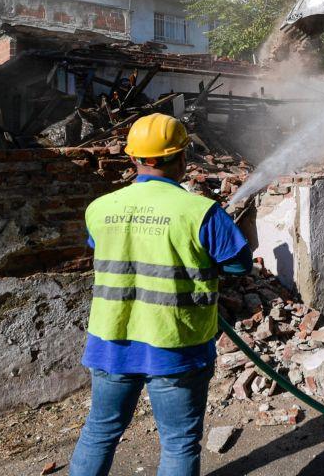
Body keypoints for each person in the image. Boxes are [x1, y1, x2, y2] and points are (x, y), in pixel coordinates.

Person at [71, 113, 252, 476]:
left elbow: (108, 250)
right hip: (176, 343)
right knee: (179, 442)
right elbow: (238, 266)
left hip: (111, 340)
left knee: (100, 431)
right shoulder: (201, 211)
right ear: (182, 158)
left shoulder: (100, 208)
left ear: (134, 158)